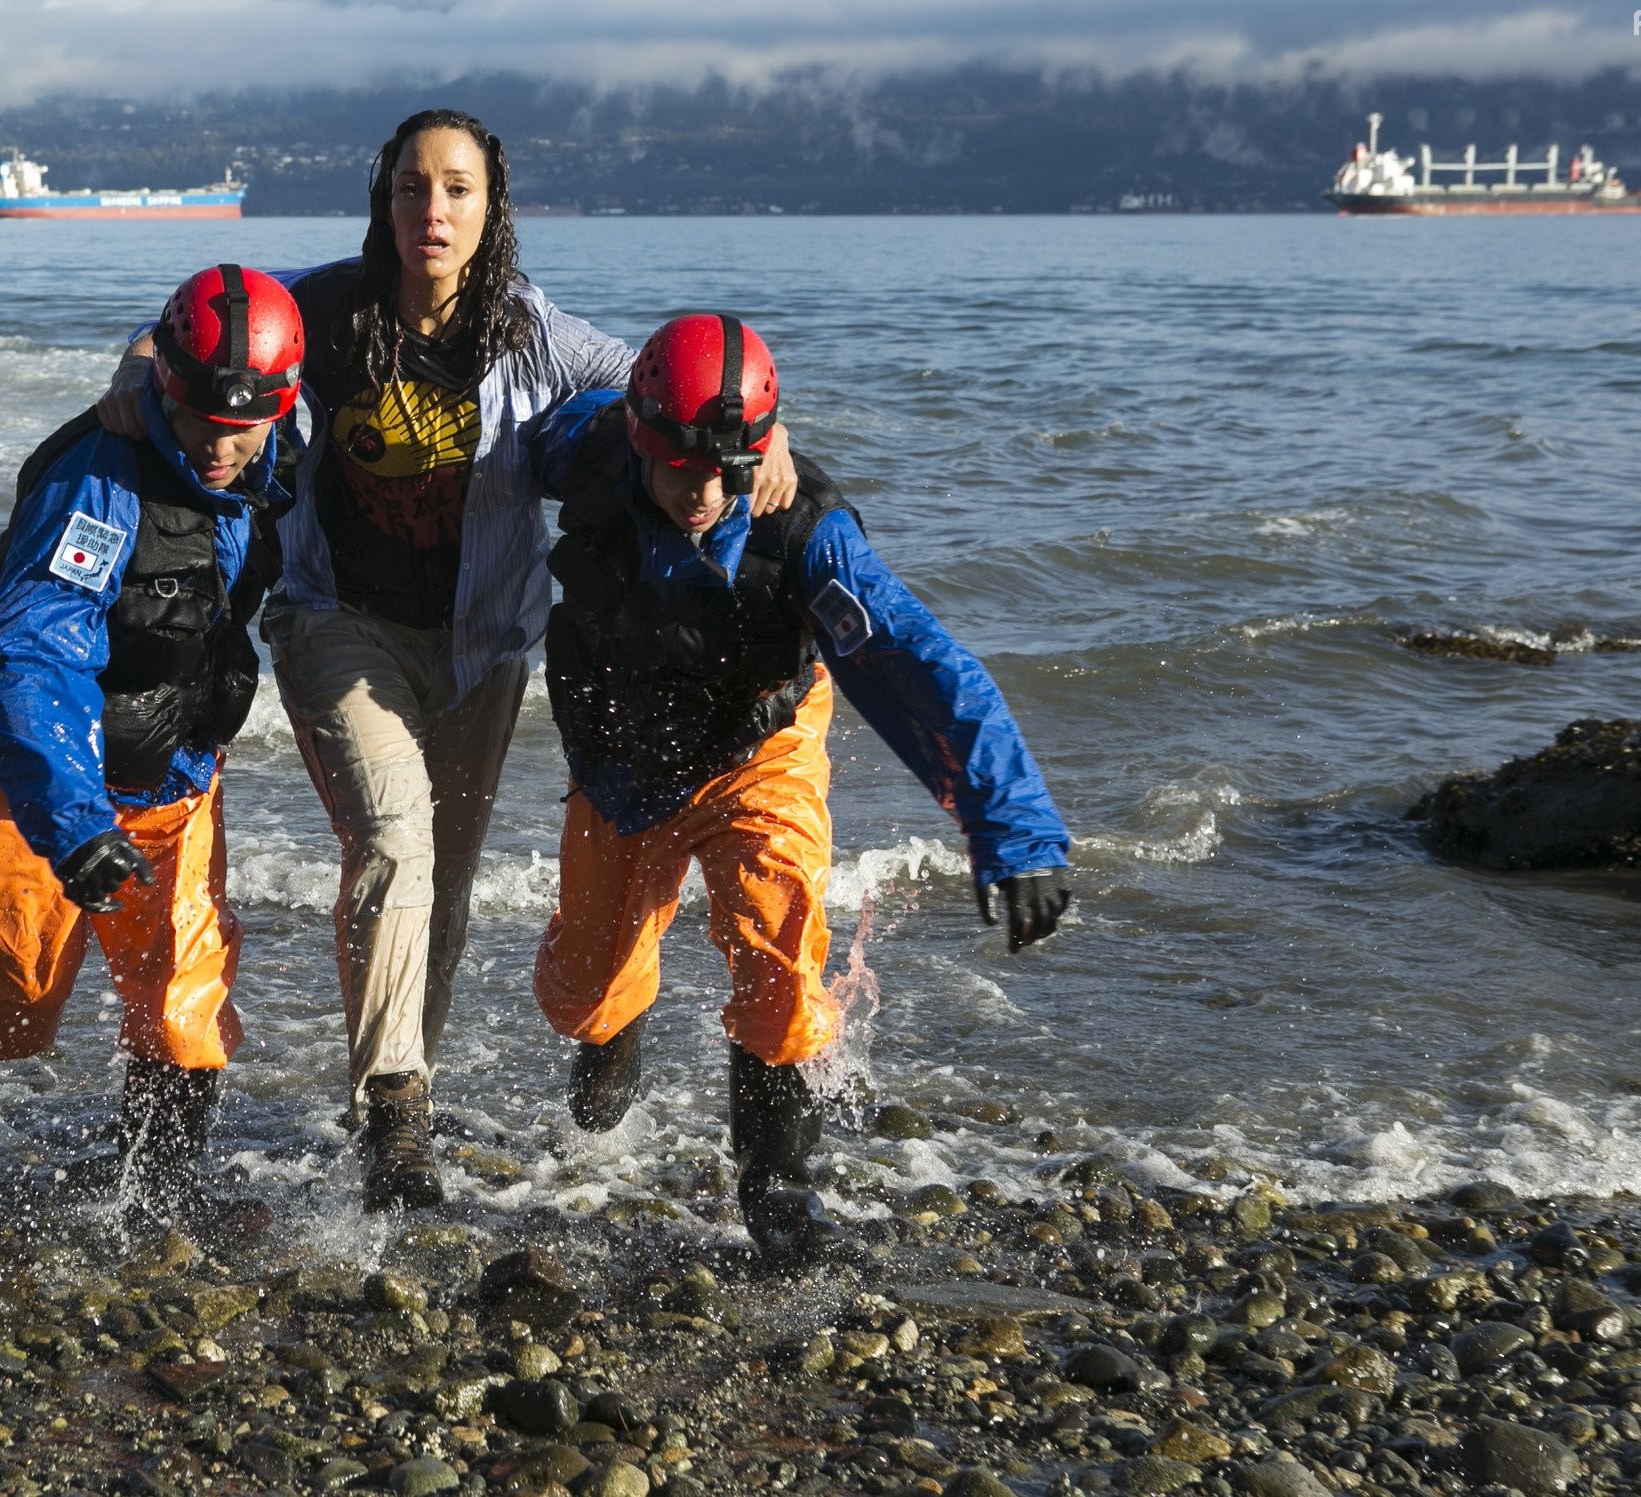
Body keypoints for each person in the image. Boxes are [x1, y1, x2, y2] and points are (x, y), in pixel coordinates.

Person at [96, 109, 797, 1213]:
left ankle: (392, 1095)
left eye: (458, 190)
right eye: (414, 188)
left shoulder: (530, 331)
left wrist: (774, 434)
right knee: (392, 842)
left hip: (481, 647)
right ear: (384, 199)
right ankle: (395, 1118)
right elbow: (185, 327)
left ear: (490, 208)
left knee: (447, 889)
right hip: (337, 624)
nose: (434, 211)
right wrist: (136, 372)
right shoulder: (325, 306)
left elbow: (676, 384)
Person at [530, 313, 1073, 1261]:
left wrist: (1015, 830)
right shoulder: (587, 446)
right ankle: (614, 1027)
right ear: (638, 436)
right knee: (584, 988)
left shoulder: (808, 534)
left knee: (778, 945)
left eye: (726, 468)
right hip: (623, 765)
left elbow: (925, 667)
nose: (702, 492)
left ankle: (777, 1184)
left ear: (758, 446)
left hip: (758, 744)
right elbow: (499, 432)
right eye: (679, 468)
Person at [0, 263, 302, 1235]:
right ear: (167, 387)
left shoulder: (272, 446)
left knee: (183, 980)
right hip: (30, 750)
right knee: (17, 983)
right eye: (204, 418)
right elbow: (28, 661)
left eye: (245, 424)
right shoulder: (97, 484)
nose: (222, 445)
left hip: (175, 756)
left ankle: (161, 1197)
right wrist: (78, 825)